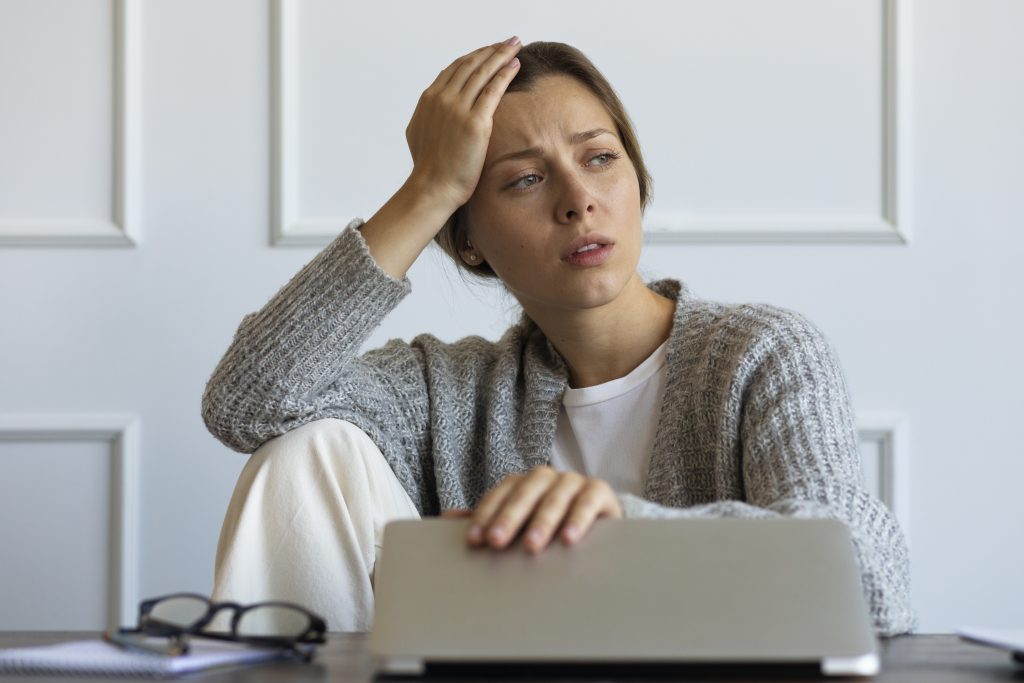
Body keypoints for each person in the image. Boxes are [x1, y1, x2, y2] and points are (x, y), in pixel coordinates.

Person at [202, 37, 915, 635]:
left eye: (600, 157)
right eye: (524, 180)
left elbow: (872, 584)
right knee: (306, 450)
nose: (578, 199)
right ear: (469, 239)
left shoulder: (762, 353)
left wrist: (623, 528)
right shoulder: (443, 391)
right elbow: (246, 403)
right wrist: (426, 190)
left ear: (637, 179)